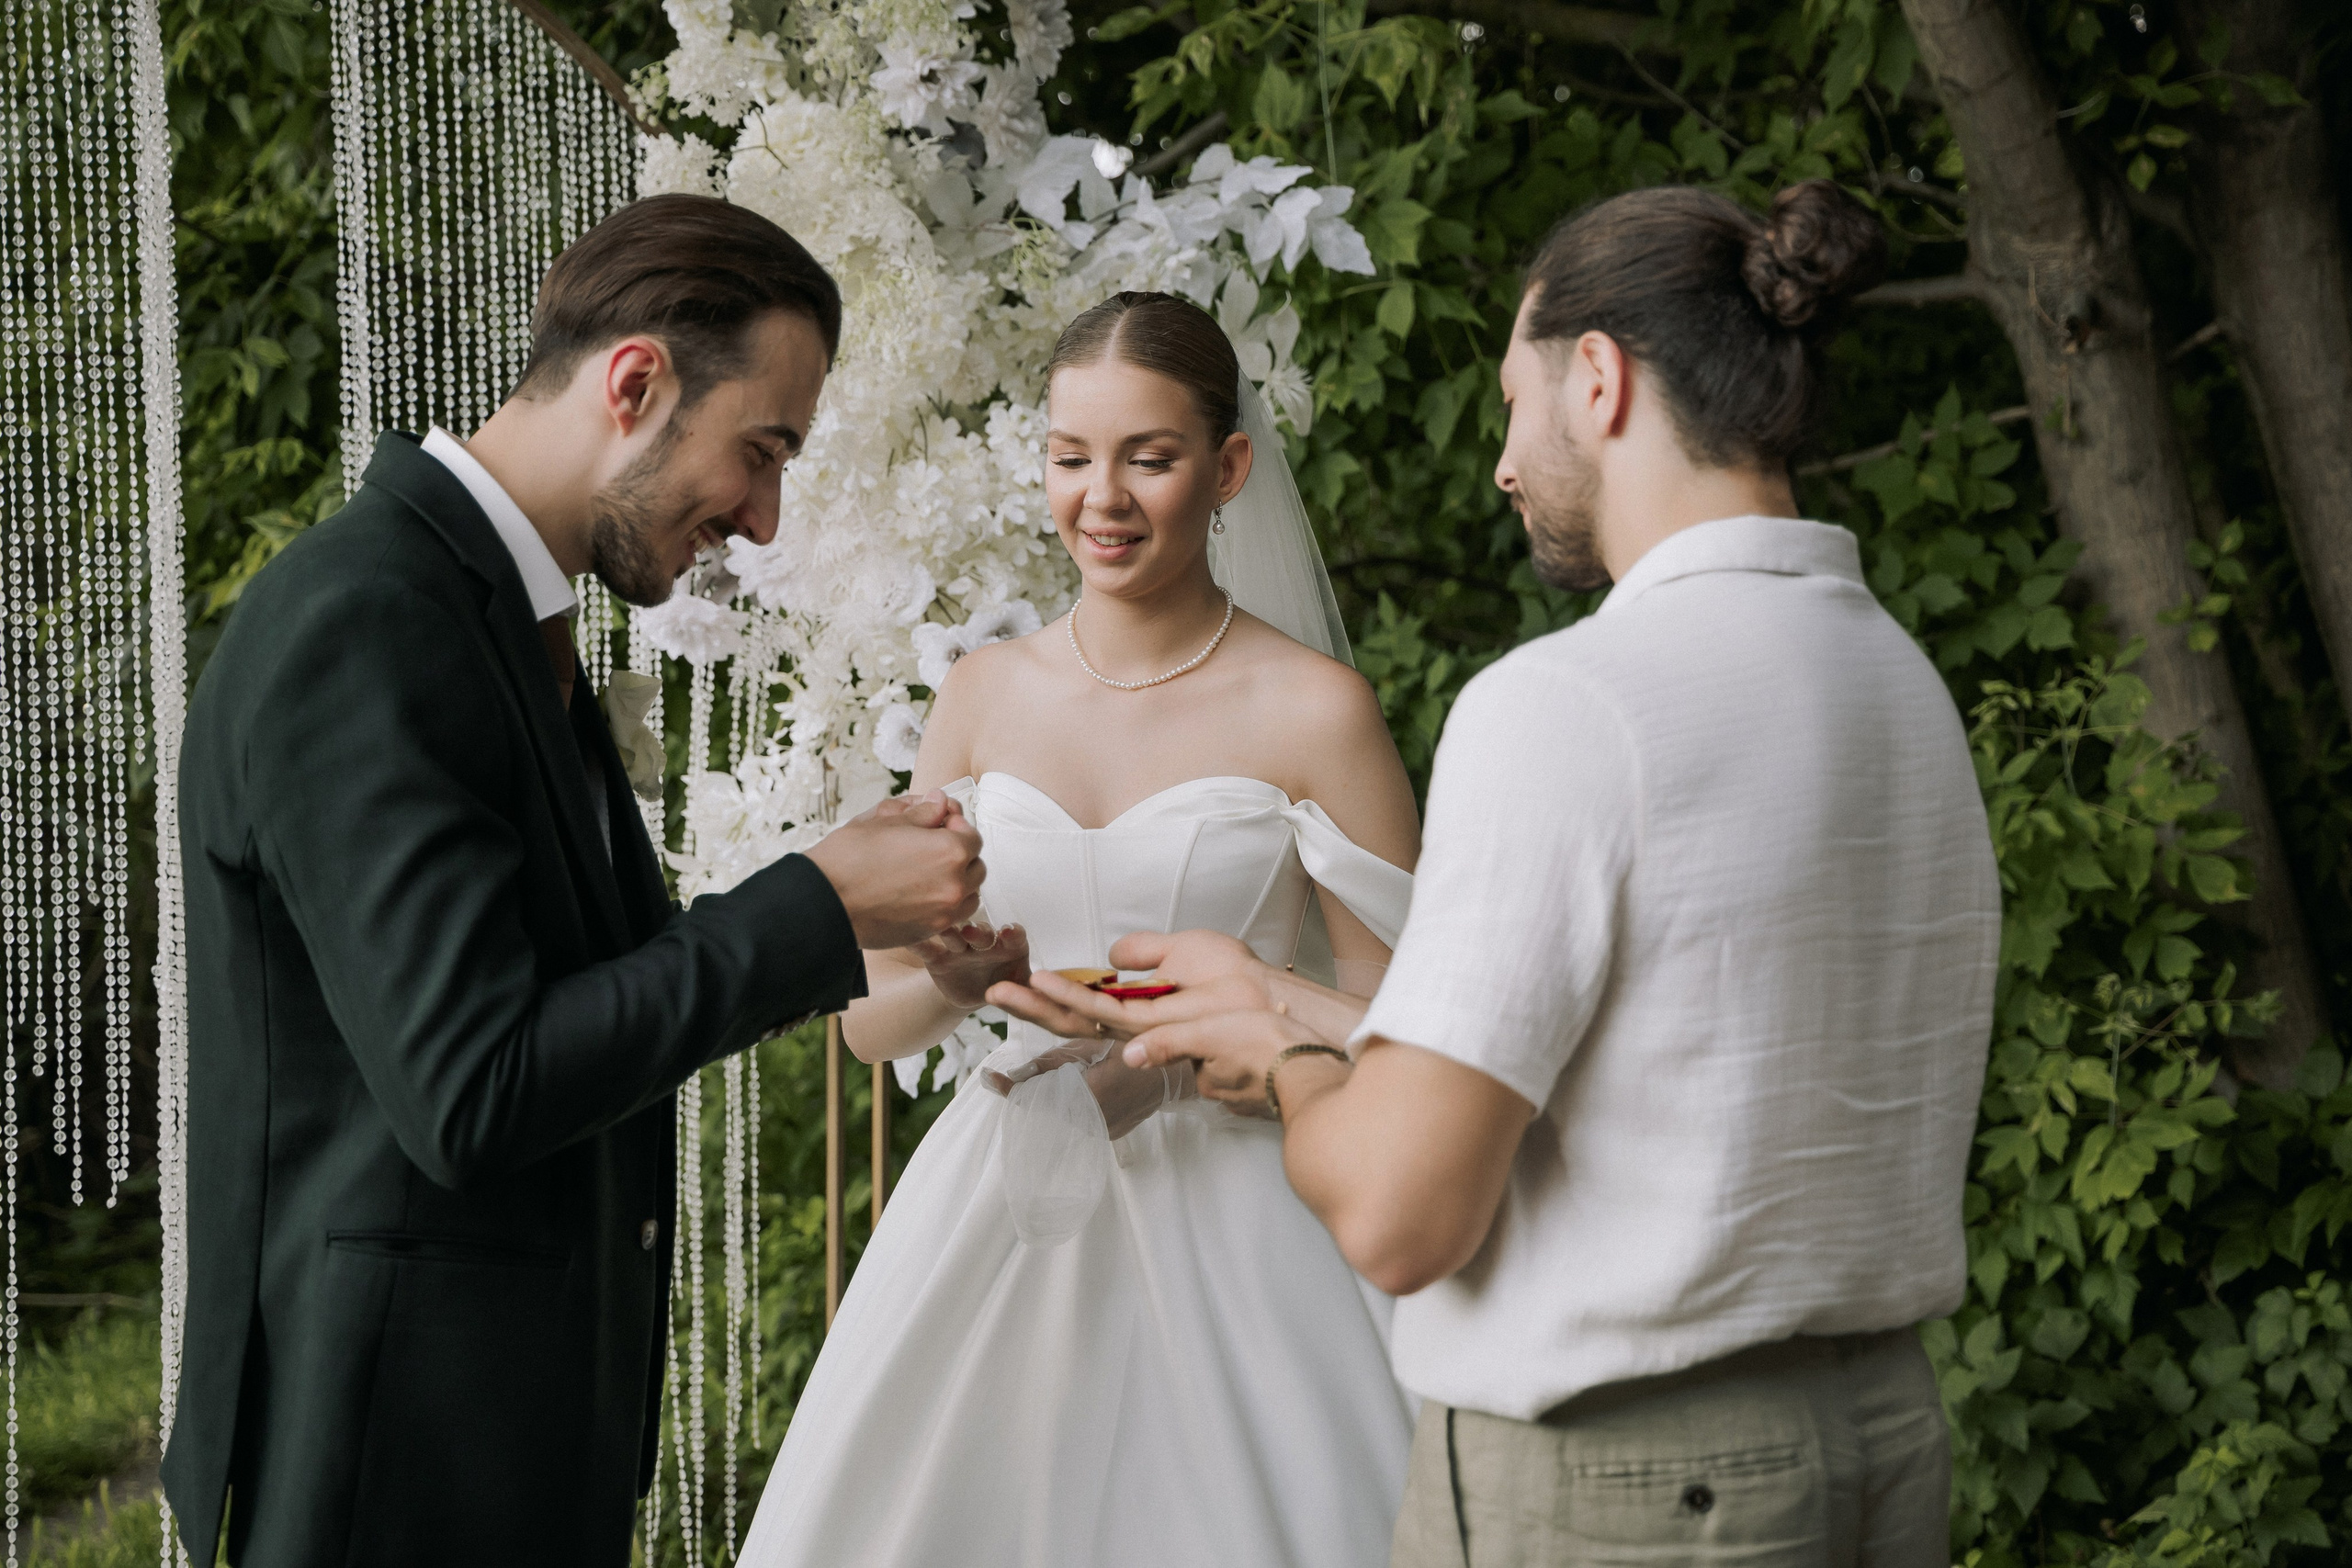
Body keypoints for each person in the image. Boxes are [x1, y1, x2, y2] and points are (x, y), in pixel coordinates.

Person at [1008, 181, 2003, 1565]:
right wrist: (1281, 1001)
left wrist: (1276, 1064)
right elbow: (1638, 1078)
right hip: (1879, 1442)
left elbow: (1401, 1216)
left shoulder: (1573, 704)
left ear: (1596, 379)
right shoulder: (1898, 685)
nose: (1502, 463)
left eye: (1510, 403)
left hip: (1631, 1486)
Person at [163, 194, 986, 1568]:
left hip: (499, 1448)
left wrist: (868, 936)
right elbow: (473, 1090)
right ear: (637, 381)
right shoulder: (370, 620)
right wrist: (815, 908)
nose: (766, 517)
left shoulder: (504, 617)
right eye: (761, 450)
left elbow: (593, 1006)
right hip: (387, 1469)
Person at [737, 291, 1423, 1567]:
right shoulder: (984, 694)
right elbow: (875, 1033)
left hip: (1245, 1207)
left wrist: (1248, 1014)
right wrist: (953, 980)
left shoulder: (1317, 710)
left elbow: (1414, 1041)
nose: (1100, 497)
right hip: (1006, 1189)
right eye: (1070, 457)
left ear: (1227, 470)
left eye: (1147, 459)